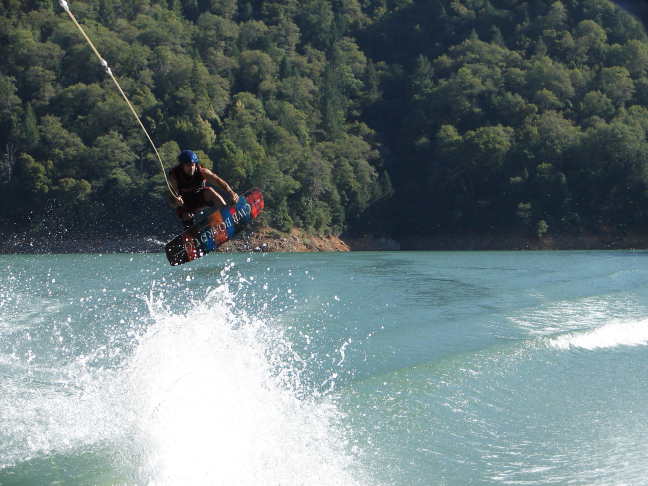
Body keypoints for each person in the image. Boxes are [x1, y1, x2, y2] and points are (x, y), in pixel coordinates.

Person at [168, 150, 239, 230]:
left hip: (200, 199)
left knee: (209, 191)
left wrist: (230, 192)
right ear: (182, 165)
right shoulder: (174, 179)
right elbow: (171, 201)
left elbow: (218, 181)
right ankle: (191, 234)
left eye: (193, 165)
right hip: (185, 204)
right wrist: (176, 201)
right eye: (188, 165)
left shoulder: (202, 172)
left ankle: (227, 213)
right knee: (186, 216)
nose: (192, 168)